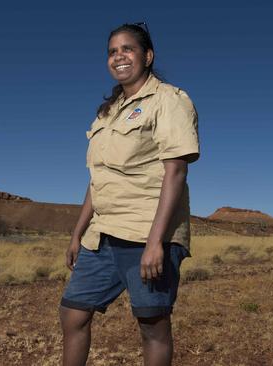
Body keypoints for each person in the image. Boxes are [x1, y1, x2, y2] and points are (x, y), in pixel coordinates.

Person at [59, 23, 200, 366]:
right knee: (72, 313)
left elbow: (176, 171)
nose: (118, 56)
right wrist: (78, 233)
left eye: (128, 49)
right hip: (103, 234)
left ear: (147, 56)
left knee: (152, 324)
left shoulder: (168, 100)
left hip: (146, 230)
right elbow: (98, 180)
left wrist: (156, 242)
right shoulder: (107, 113)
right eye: (112, 51)